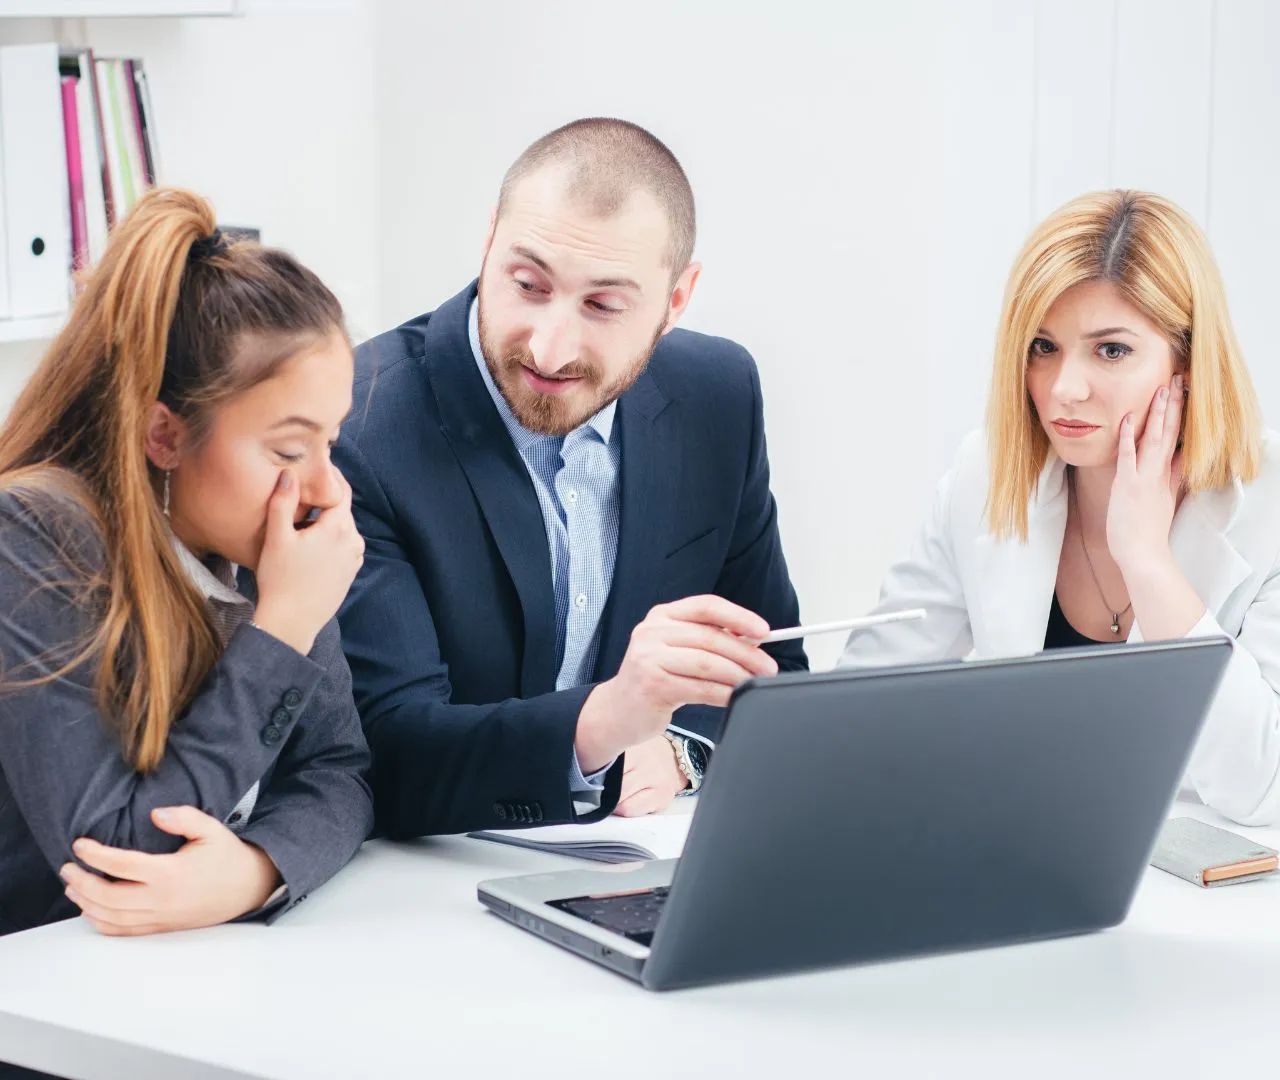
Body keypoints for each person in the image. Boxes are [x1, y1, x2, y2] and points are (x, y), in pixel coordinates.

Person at [334, 118, 805, 838]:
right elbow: (386, 753)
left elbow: (774, 673)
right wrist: (605, 724)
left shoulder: (720, 394)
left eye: (603, 305)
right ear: (490, 241)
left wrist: (680, 749)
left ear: (677, 300)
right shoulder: (362, 422)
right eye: (528, 284)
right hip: (427, 885)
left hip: (651, 858)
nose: (551, 348)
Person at [0, 188, 373, 945]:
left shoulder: (265, 544)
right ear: (164, 435)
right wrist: (282, 630)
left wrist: (257, 868)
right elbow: (116, 854)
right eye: (289, 451)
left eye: (330, 442)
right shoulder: (33, 532)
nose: (325, 488)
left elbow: (341, 771)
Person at [840, 189, 1280, 826]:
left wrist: (1147, 561)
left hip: (1194, 896)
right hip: (1018, 860)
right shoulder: (986, 471)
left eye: (1111, 350)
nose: (1065, 390)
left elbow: (1263, 784)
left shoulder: (1268, 503)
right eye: (1043, 348)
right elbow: (863, 704)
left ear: (1188, 360)